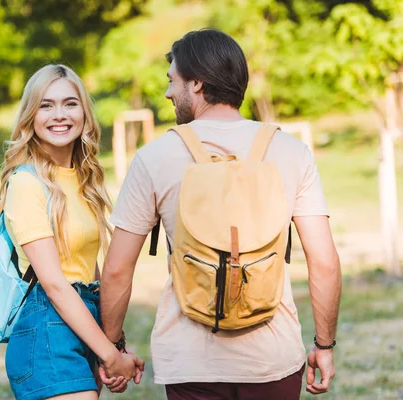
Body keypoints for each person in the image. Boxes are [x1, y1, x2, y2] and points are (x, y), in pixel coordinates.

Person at [99, 29, 342, 398]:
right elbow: (323, 262)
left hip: (191, 362)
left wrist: (113, 347)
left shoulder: (154, 157)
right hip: (273, 360)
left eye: (173, 81)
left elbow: (117, 269)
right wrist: (324, 346)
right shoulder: (292, 152)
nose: (167, 93)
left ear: (196, 83)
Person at [0, 64, 144, 400]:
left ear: (84, 112)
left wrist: (107, 346)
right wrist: (109, 355)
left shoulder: (85, 179)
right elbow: (55, 284)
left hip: (80, 325)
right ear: (31, 116)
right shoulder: (26, 183)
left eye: (70, 103)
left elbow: (87, 269)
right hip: (47, 333)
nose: (59, 115)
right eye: (46, 105)